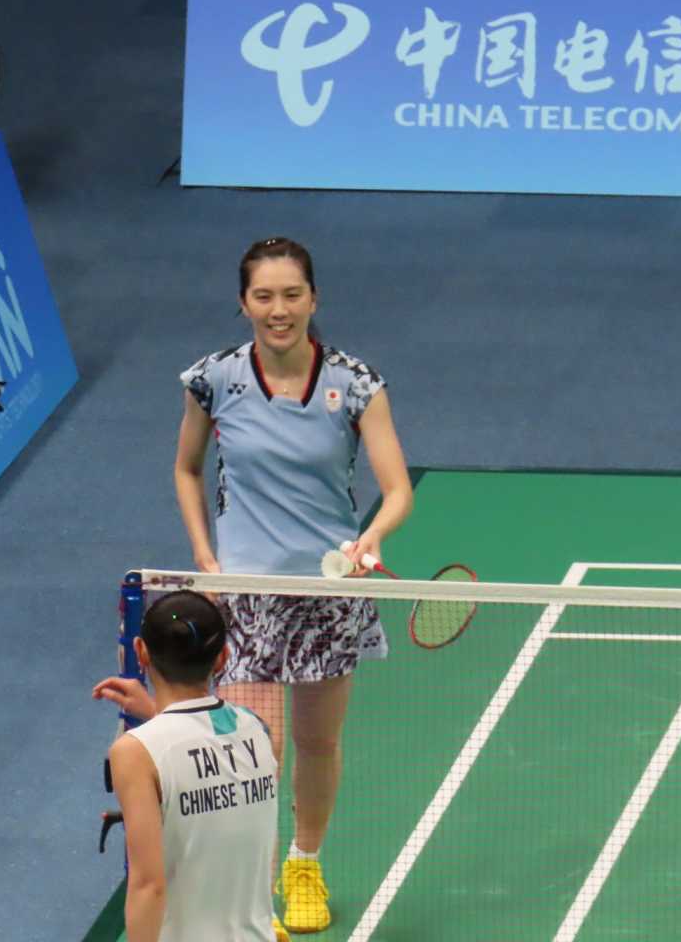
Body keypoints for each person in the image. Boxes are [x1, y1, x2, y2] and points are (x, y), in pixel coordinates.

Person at [173, 237, 414, 934]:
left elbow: (397, 489)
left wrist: (372, 537)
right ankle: (249, 893)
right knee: (255, 752)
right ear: (243, 302)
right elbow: (187, 469)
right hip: (246, 595)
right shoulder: (213, 379)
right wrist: (205, 558)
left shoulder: (356, 384)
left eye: (291, 295)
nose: (278, 310)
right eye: (264, 296)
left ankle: (303, 864)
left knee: (316, 743)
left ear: (314, 298)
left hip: (327, 594)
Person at [93, 591, 286, 942]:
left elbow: (148, 886)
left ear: (141, 651)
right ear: (222, 657)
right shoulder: (257, 729)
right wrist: (155, 712)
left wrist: (156, 718)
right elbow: (206, 752)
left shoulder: (134, 753)